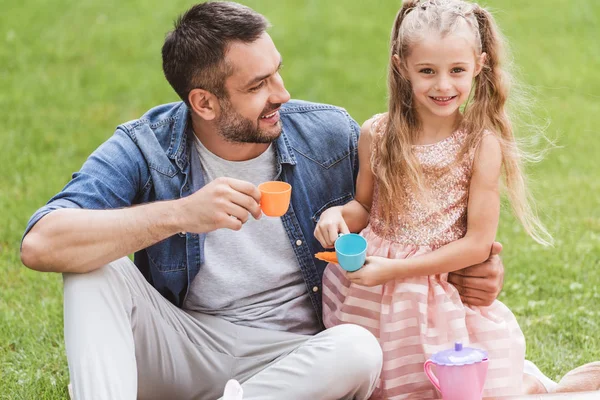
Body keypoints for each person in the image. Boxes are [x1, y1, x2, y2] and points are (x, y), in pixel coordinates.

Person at [19, 1, 545, 400]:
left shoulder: (329, 134)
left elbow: (403, 216)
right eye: (259, 84)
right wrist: (180, 213)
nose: (283, 93)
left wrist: (477, 273)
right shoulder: (145, 146)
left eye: (278, 70)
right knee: (92, 269)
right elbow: (42, 243)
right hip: (188, 342)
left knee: (360, 350)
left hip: (298, 355)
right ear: (203, 101)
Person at [316, 0, 552, 398]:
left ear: (478, 65)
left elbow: (477, 244)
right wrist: (335, 215)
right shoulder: (377, 133)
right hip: (371, 292)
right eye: (427, 71)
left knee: (441, 383)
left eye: (456, 70)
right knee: (381, 382)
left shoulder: (481, 144)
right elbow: (363, 208)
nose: (443, 86)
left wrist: (392, 270)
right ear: (400, 66)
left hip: (437, 295)